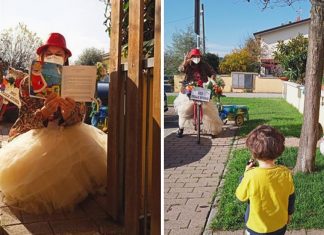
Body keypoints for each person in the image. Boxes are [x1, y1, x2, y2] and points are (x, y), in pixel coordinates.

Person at [0, 33, 107, 214]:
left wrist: (67, 114)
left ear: (65, 58)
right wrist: (43, 113)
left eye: (59, 53)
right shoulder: (27, 82)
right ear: (41, 57)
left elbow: (80, 116)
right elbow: (25, 118)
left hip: (68, 132)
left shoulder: (75, 80)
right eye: (49, 53)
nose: (54, 57)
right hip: (33, 133)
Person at [236, 125, 295, 235]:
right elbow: (291, 197)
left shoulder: (250, 176)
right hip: (280, 225)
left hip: (256, 228)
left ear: (253, 153)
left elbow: (240, 197)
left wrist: (244, 175)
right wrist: (289, 214)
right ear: (279, 150)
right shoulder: (286, 173)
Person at [174, 48, 223, 138]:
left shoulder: (204, 64)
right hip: (188, 88)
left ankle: (213, 130)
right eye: (194, 56)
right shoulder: (188, 63)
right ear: (191, 57)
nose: (196, 58)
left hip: (202, 89)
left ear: (200, 57)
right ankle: (180, 129)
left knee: (209, 110)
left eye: (198, 56)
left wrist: (212, 80)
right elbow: (181, 69)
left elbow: (212, 72)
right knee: (184, 110)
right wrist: (184, 62)